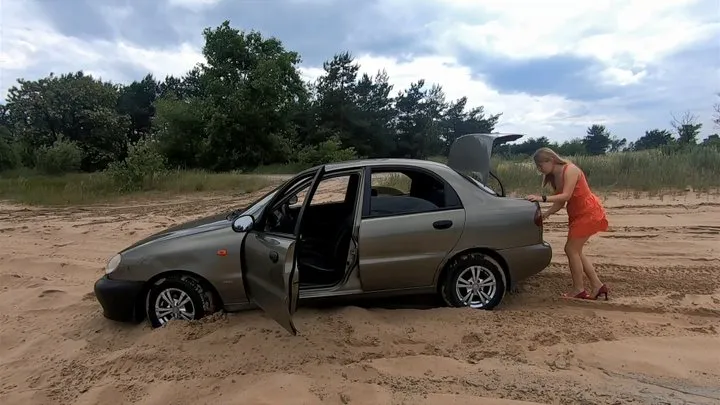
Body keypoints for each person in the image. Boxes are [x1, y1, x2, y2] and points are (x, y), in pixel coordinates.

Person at [525, 147, 610, 300]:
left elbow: (566, 195)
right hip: (577, 215)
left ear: (550, 160)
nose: (539, 169)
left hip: (588, 212)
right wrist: (546, 215)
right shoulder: (555, 176)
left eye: (540, 165)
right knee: (576, 251)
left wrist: (541, 198)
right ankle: (598, 285)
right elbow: (560, 202)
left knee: (571, 249)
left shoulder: (570, 170)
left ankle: (578, 289)